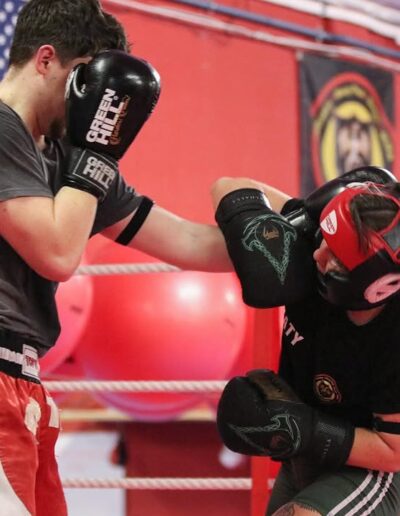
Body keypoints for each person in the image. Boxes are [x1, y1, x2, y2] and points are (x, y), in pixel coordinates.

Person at [0, 1, 233, 514]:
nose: (95, 105)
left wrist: (295, 238)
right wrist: (100, 150)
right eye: (87, 82)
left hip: (22, 382)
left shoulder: (66, 156)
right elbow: (58, 254)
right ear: (46, 60)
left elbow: (188, 242)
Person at [211, 169, 400, 515]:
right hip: (312, 453)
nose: (318, 255)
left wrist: (307, 429)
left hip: (379, 468)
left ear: (373, 283)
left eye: (335, 257)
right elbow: (229, 187)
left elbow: (394, 451)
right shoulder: (315, 240)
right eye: (325, 239)